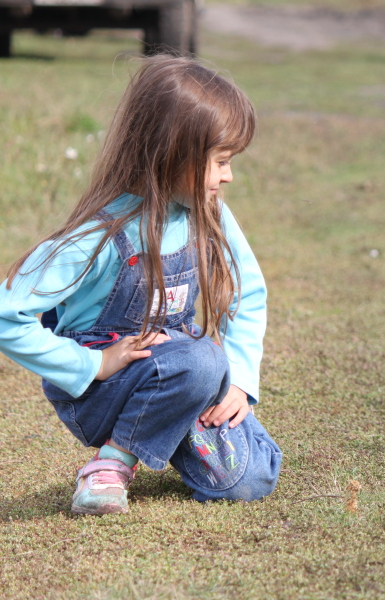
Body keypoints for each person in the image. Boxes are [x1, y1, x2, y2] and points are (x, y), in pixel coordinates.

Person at [0, 56, 282, 515]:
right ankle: (112, 462)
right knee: (201, 358)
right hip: (100, 395)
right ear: (172, 153)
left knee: (251, 478)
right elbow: (5, 314)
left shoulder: (210, 214)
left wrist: (242, 382)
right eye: (221, 162)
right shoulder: (97, 237)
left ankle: (165, 424)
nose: (228, 176)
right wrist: (91, 364)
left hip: (184, 378)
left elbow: (249, 293)